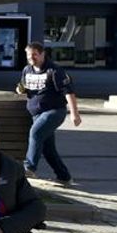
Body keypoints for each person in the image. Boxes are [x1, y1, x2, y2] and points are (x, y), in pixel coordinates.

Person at [18, 42, 81, 185]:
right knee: (48, 149)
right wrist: (20, 89)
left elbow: (69, 92)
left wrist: (74, 114)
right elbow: (22, 86)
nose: (31, 58)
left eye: (35, 54)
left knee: (35, 133)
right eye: (29, 55)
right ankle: (64, 176)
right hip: (36, 114)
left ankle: (29, 167)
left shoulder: (54, 70)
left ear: (42, 54)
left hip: (54, 111)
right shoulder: (27, 70)